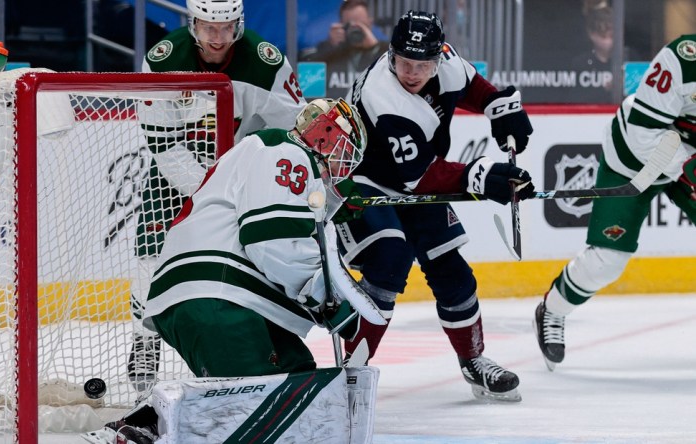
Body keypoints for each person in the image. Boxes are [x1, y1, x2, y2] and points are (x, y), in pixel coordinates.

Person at [336, 10, 535, 402]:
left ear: (438, 58)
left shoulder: (445, 60)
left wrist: (498, 106)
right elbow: (419, 177)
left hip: (411, 182)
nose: (412, 73)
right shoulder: (384, 96)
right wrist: (480, 177)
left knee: (451, 269)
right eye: (404, 63)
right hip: (362, 183)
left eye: (422, 65)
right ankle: (351, 371)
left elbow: (472, 85)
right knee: (389, 259)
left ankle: (474, 361)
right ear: (391, 56)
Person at [128, 0, 307, 392]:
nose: (218, 38)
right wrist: (207, 190)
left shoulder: (265, 63)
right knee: (150, 252)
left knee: (249, 253)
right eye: (209, 27)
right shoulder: (163, 60)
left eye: (226, 28)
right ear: (193, 24)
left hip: (239, 174)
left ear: (238, 25)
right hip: (174, 173)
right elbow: (164, 145)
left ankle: (258, 329)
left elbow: (296, 130)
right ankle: (145, 338)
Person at [142, 97, 369, 378]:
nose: (342, 163)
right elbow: (273, 243)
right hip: (218, 292)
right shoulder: (286, 151)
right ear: (325, 137)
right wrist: (325, 300)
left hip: (236, 298)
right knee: (257, 403)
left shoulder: (279, 157)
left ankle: (148, 421)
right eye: (343, 150)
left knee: (300, 380)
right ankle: (152, 422)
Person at [534, 34, 696, 370]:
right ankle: (553, 310)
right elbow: (642, 134)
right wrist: (689, 169)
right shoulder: (681, 59)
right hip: (635, 157)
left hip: (687, 158)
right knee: (607, 260)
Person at [300, 0, 389, 98]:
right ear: (341, 25)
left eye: (360, 26)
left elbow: (395, 78)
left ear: (370, 23)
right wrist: (329, 46)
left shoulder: (383, 51)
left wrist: (376, 47)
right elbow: (308, 90)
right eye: (349, 25)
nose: (355, 31)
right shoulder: (328, 52)